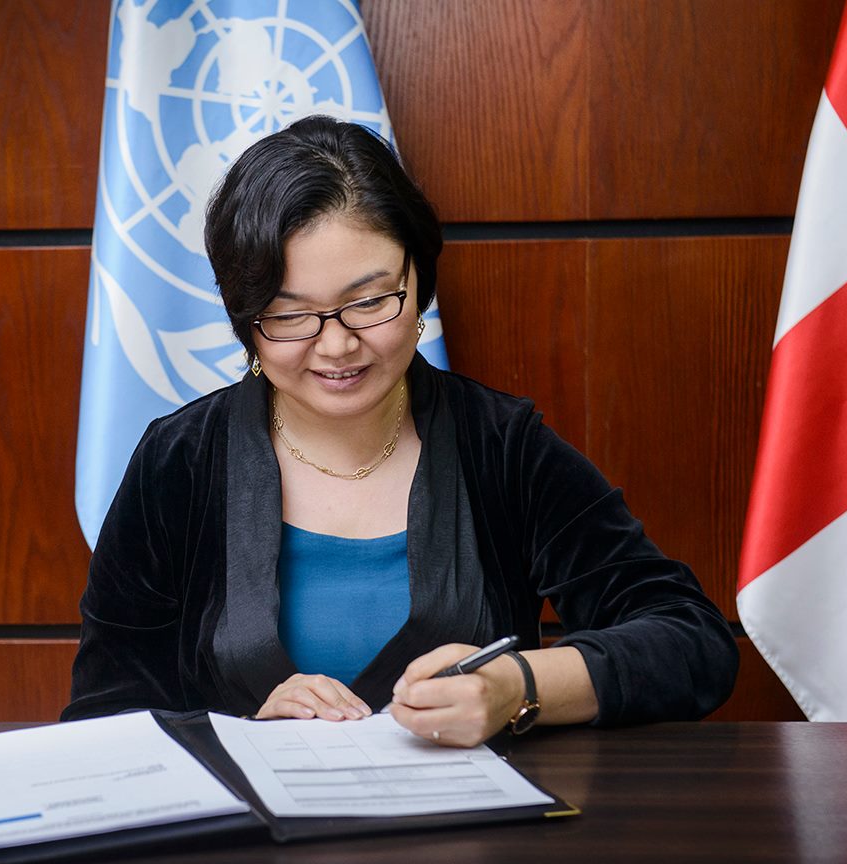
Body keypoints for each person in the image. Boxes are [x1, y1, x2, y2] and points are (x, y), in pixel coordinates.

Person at [62, 116, 737, 746]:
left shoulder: (502, 447)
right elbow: (102, 718)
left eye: (369, 301)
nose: (336, 346)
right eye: (289, 315)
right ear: (246, 320)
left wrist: (518, 686)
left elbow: (692, 642)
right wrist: (242, 732)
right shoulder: (178, 461)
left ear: (420, 284)